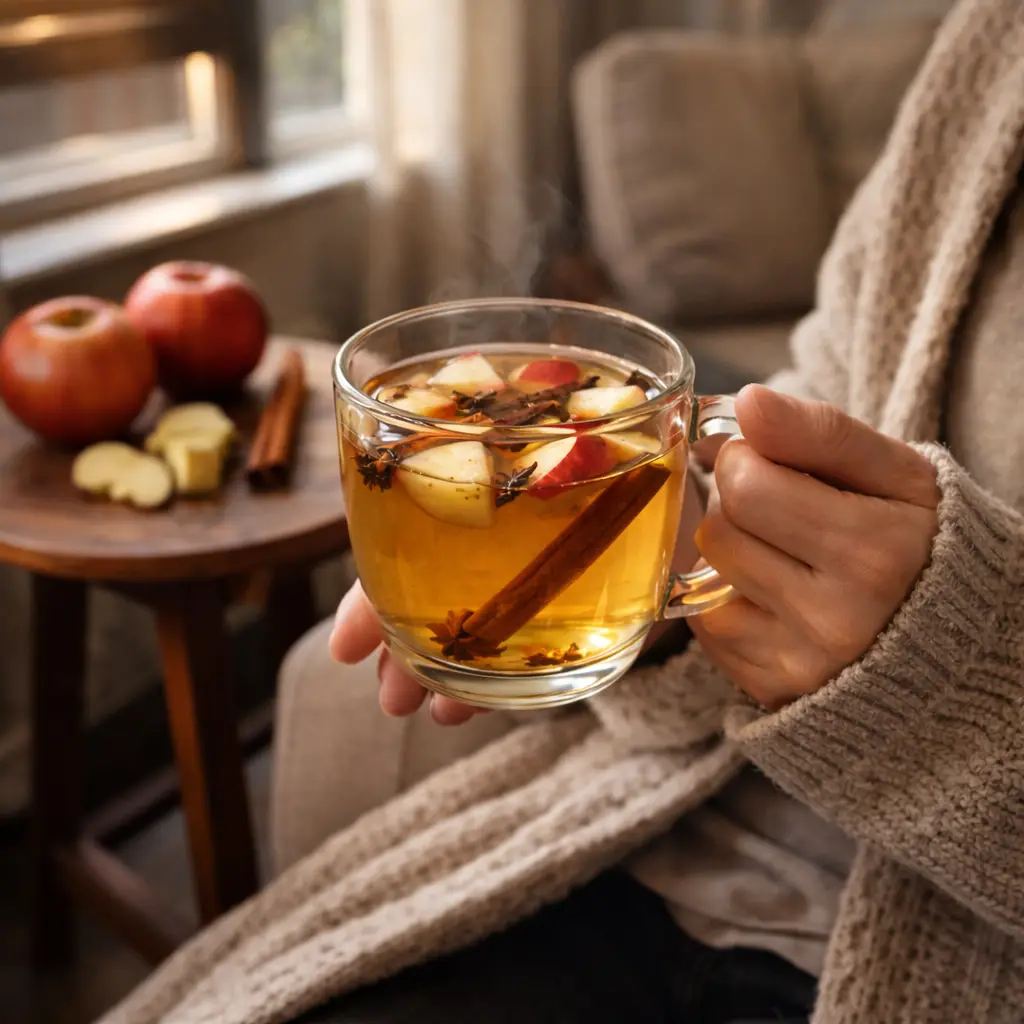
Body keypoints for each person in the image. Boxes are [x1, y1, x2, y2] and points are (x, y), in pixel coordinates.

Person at [101, 3, 1024, 1023]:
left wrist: (959, 685)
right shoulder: (990, 47)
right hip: (668, 838)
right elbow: (826, 400)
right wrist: (678, 582)